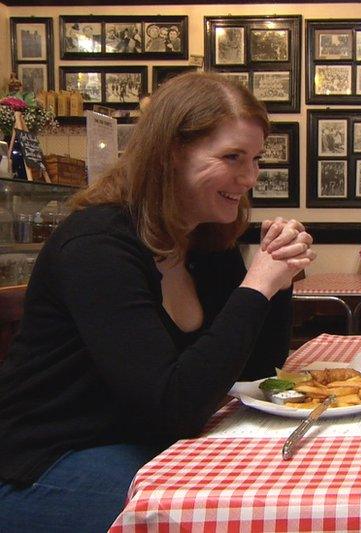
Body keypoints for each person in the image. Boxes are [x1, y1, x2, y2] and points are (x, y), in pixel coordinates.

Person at [0, 71, 316, 531]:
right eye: (232, 157)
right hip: (46, 461)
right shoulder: (96, 246)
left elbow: (252, 372)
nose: (249, 178)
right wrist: (256, 287)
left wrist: (280, 281)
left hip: (144, 440)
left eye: (254, 159)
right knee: (231, 516)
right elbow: (175, 406)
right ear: (171, 153)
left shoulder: (206, 240)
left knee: (283, 488)